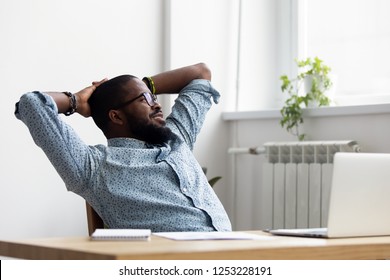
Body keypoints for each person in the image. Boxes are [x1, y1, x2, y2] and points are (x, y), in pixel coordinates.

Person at [15, 63, 232, 232]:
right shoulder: (92, 167)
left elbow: (200, 73)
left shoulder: (176, 137)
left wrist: (142, 84)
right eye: (144, 99)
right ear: (116, 116)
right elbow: (31, 104)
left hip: (234, 254)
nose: (156, 104)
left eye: (152, 96)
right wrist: (77, 101)